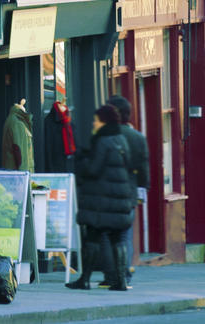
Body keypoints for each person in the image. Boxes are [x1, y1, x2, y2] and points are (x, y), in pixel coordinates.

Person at [66, 105, 136, 292]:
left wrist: (81, 159)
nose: (93, 123)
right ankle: (120, 281)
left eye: (97, 120)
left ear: (104, 122)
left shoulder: (102, 141)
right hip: (119, 199)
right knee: (118, 239)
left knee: (93, 238)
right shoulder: (121, 139)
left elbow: (93, 169)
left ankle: (85, 280)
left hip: (102, 201)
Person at [106, 95, 148, 287]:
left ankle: (112, 275)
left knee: (107, 235)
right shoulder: (137, 138)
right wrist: (141, 192)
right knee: (125, 235)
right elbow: (143, 169)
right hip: (128, 193)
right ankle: (124, 274)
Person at [1, 98, 35, 171]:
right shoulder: (17, 123)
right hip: (19, 173)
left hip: (14, 170)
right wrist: (24, 175)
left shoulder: (13, 120)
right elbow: (19, 150)